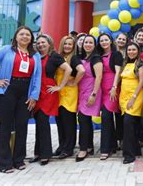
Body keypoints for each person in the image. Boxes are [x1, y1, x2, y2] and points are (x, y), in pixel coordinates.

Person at [0, 26, 42, 173]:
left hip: (25, 92)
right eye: (21, 34)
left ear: (31, 38)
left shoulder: (35, 55)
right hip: (6, 90)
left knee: (22, 126)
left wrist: (34, 95)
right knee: (6, 126)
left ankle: (18, 160)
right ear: (16, 37)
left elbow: (38, 76)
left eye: (28, 34)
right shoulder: (7, 49)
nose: (25, 36)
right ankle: (5, 163)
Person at [30, 34, 72, 166]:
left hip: (48, 92)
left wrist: (60, 86)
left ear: (49, 44)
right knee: (38, 122)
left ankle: (45, 154)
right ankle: (37, 153)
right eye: (38, 43)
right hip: (36, 91)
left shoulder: (54, 56)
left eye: (43, 42)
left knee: (43, 121)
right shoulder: (35, 56)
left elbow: (68, 69)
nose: (40, 45)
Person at [53, 36, 85, 159]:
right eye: (65, 43)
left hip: (69, 94)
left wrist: (74, 82)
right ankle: (62, 146)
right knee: (59, 121)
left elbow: (81, 71)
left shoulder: (74, 58)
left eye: (70, 44)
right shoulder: (59, 57)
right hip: (58, 93)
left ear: (73, 46)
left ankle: (68, 148)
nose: (67, 46)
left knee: (68, 122)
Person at [76, 35, 102, 162]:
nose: (87, 44)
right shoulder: (82, 58)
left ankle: (83, 148)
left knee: (83, 119)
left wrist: (94, 94)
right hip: (82, 91)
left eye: (90, 42)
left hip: (91, 91)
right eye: (86, 42)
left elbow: (98, 77)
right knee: (84, 120)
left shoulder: (96, 58)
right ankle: (89, 145)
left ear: (94, 45)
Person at [98, 32, 124, 160]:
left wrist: (114, 87)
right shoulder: (98, 56)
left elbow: (119, 72)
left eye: (106, 40)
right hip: (101, 89)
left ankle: (105, 149)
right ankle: (113, 145)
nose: (104, 42)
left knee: (107, 117)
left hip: (112, 88)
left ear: (110, 41)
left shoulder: (116, 54)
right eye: (101, 40)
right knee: (106, 117)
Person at [118, 42, 143, 164]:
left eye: (134, 49)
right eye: (129, 50)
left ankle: (128, 155)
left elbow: (141, 82)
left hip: (135, 97)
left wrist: (133, 98)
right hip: (123, 97)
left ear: (138, 51)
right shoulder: (125, 63)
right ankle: (136, 149)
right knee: (130, 125)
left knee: (128, 123)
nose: (131, 52)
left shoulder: (140, 64)